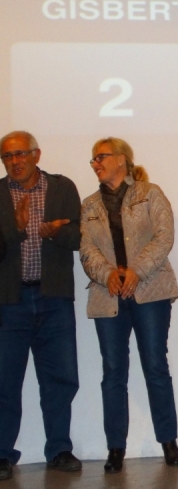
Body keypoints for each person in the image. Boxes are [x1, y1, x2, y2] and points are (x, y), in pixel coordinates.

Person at [79, 137, 178, 473]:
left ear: (122, 159)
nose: (95, 163)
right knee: (113, 372)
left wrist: (136, 270)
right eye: (93, 159)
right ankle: (115, 448)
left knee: (155, 366)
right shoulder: (89, 205)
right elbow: (87, 249)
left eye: (101, 157)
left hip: (150, 291)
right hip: (107, 295)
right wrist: (107, 274)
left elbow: (164, 237)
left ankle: (168, 441)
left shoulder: (150, 193)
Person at [0, 131, 82, 481]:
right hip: (9, 302)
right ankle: (2, 454)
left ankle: (59, 449)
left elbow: (80, 236)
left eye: (20, 154)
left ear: (36, 154)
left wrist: (57, 233)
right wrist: (16, 230)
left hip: (54, 299)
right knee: (5, 383)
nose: (14, 161)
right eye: (7, 156)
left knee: (60, 379)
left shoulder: (62, 188)